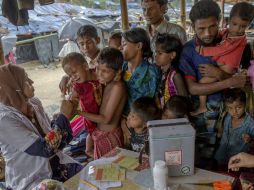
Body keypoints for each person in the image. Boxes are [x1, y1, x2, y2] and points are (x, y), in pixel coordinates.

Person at [179, 0, 248, 168]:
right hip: (203, 120)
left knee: (229, 159)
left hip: (231, 115)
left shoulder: (233, 42)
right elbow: (193, 88)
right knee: (203, 159)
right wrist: (228, 81)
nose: (208, 33)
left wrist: (218, 74)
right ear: (192, 26)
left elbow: (241, 81)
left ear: (220, 22)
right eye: (201, 28)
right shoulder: (188, 51)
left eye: (212, 26)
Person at [0, 64, 82, 190]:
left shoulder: (34, 103)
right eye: (26, 79)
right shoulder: (4, 120)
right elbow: (44, 149)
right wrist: (63, 116)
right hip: (31, 178)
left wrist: (64, 115)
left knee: (89, 177)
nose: (32, 81)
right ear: (14, 88)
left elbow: (51, 134)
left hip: (55, 164)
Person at [192, 2, 254, 116]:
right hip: (225, 68)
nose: (238, 29)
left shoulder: (237, 39)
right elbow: (222, 33)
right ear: (228, 21)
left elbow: (221, 50)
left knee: (202, 82)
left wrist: (203, 51)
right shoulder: (228, 33)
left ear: (248, 25)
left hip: (227, 69)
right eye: (235, 24)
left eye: (243, 26)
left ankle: (202, 107)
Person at [77, 47, 127, 159]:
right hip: (102, 136)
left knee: (111, 173)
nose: (99, 74)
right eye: (98, 69)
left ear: (118, 71)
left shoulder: (118, 87)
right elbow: (84, 73)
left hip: (110, 139)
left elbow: (105, 119)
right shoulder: (107, 82)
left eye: (105, 71)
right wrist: (67, 78)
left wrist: (78, 112)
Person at [61, 52, 102, 157]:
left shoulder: (99, 74)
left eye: (74, 72)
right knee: (91, 133)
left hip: (102, 111)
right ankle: (88, 150)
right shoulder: (78, 86)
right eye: (70, 75)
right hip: (89, 115)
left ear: (85, 66)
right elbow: (72, 100)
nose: (73, 77)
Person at [121, 27, 160, 114]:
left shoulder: (152, 71)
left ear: (139, 46)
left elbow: (154, 102)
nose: (120, 48)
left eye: (124, 44)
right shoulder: (120, 67)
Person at [215, 88, 254, 166]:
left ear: (245, 104)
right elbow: (222, 133)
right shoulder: (227, 117)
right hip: (221, 157)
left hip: (238, 162)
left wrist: (250, 140)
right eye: (230, 108)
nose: (234, 112)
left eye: (238, 107)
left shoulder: (250, 122)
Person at [155, 33, 188, 108]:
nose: (156, 56)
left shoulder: (175, 75)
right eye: (155, 52)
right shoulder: (162, 72)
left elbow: (184, 101)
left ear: (172, 55)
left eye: (160, 53)